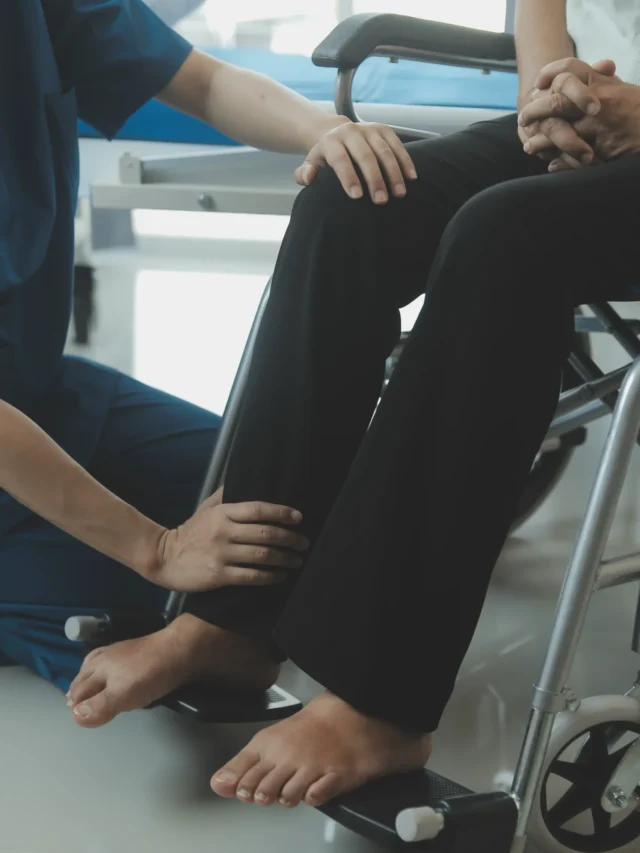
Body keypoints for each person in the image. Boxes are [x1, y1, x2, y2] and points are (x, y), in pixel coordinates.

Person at [67, 0, 640, 811]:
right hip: (586, 121)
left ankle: (382, 702)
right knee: (352, 199)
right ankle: (236, 616)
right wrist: (550, 94)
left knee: (504, 232)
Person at [0, 0, 414, 692]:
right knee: (180, 616)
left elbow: (204, 82)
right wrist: (157, 550)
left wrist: (328, 130)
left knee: (297, 523)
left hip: (42, 398)